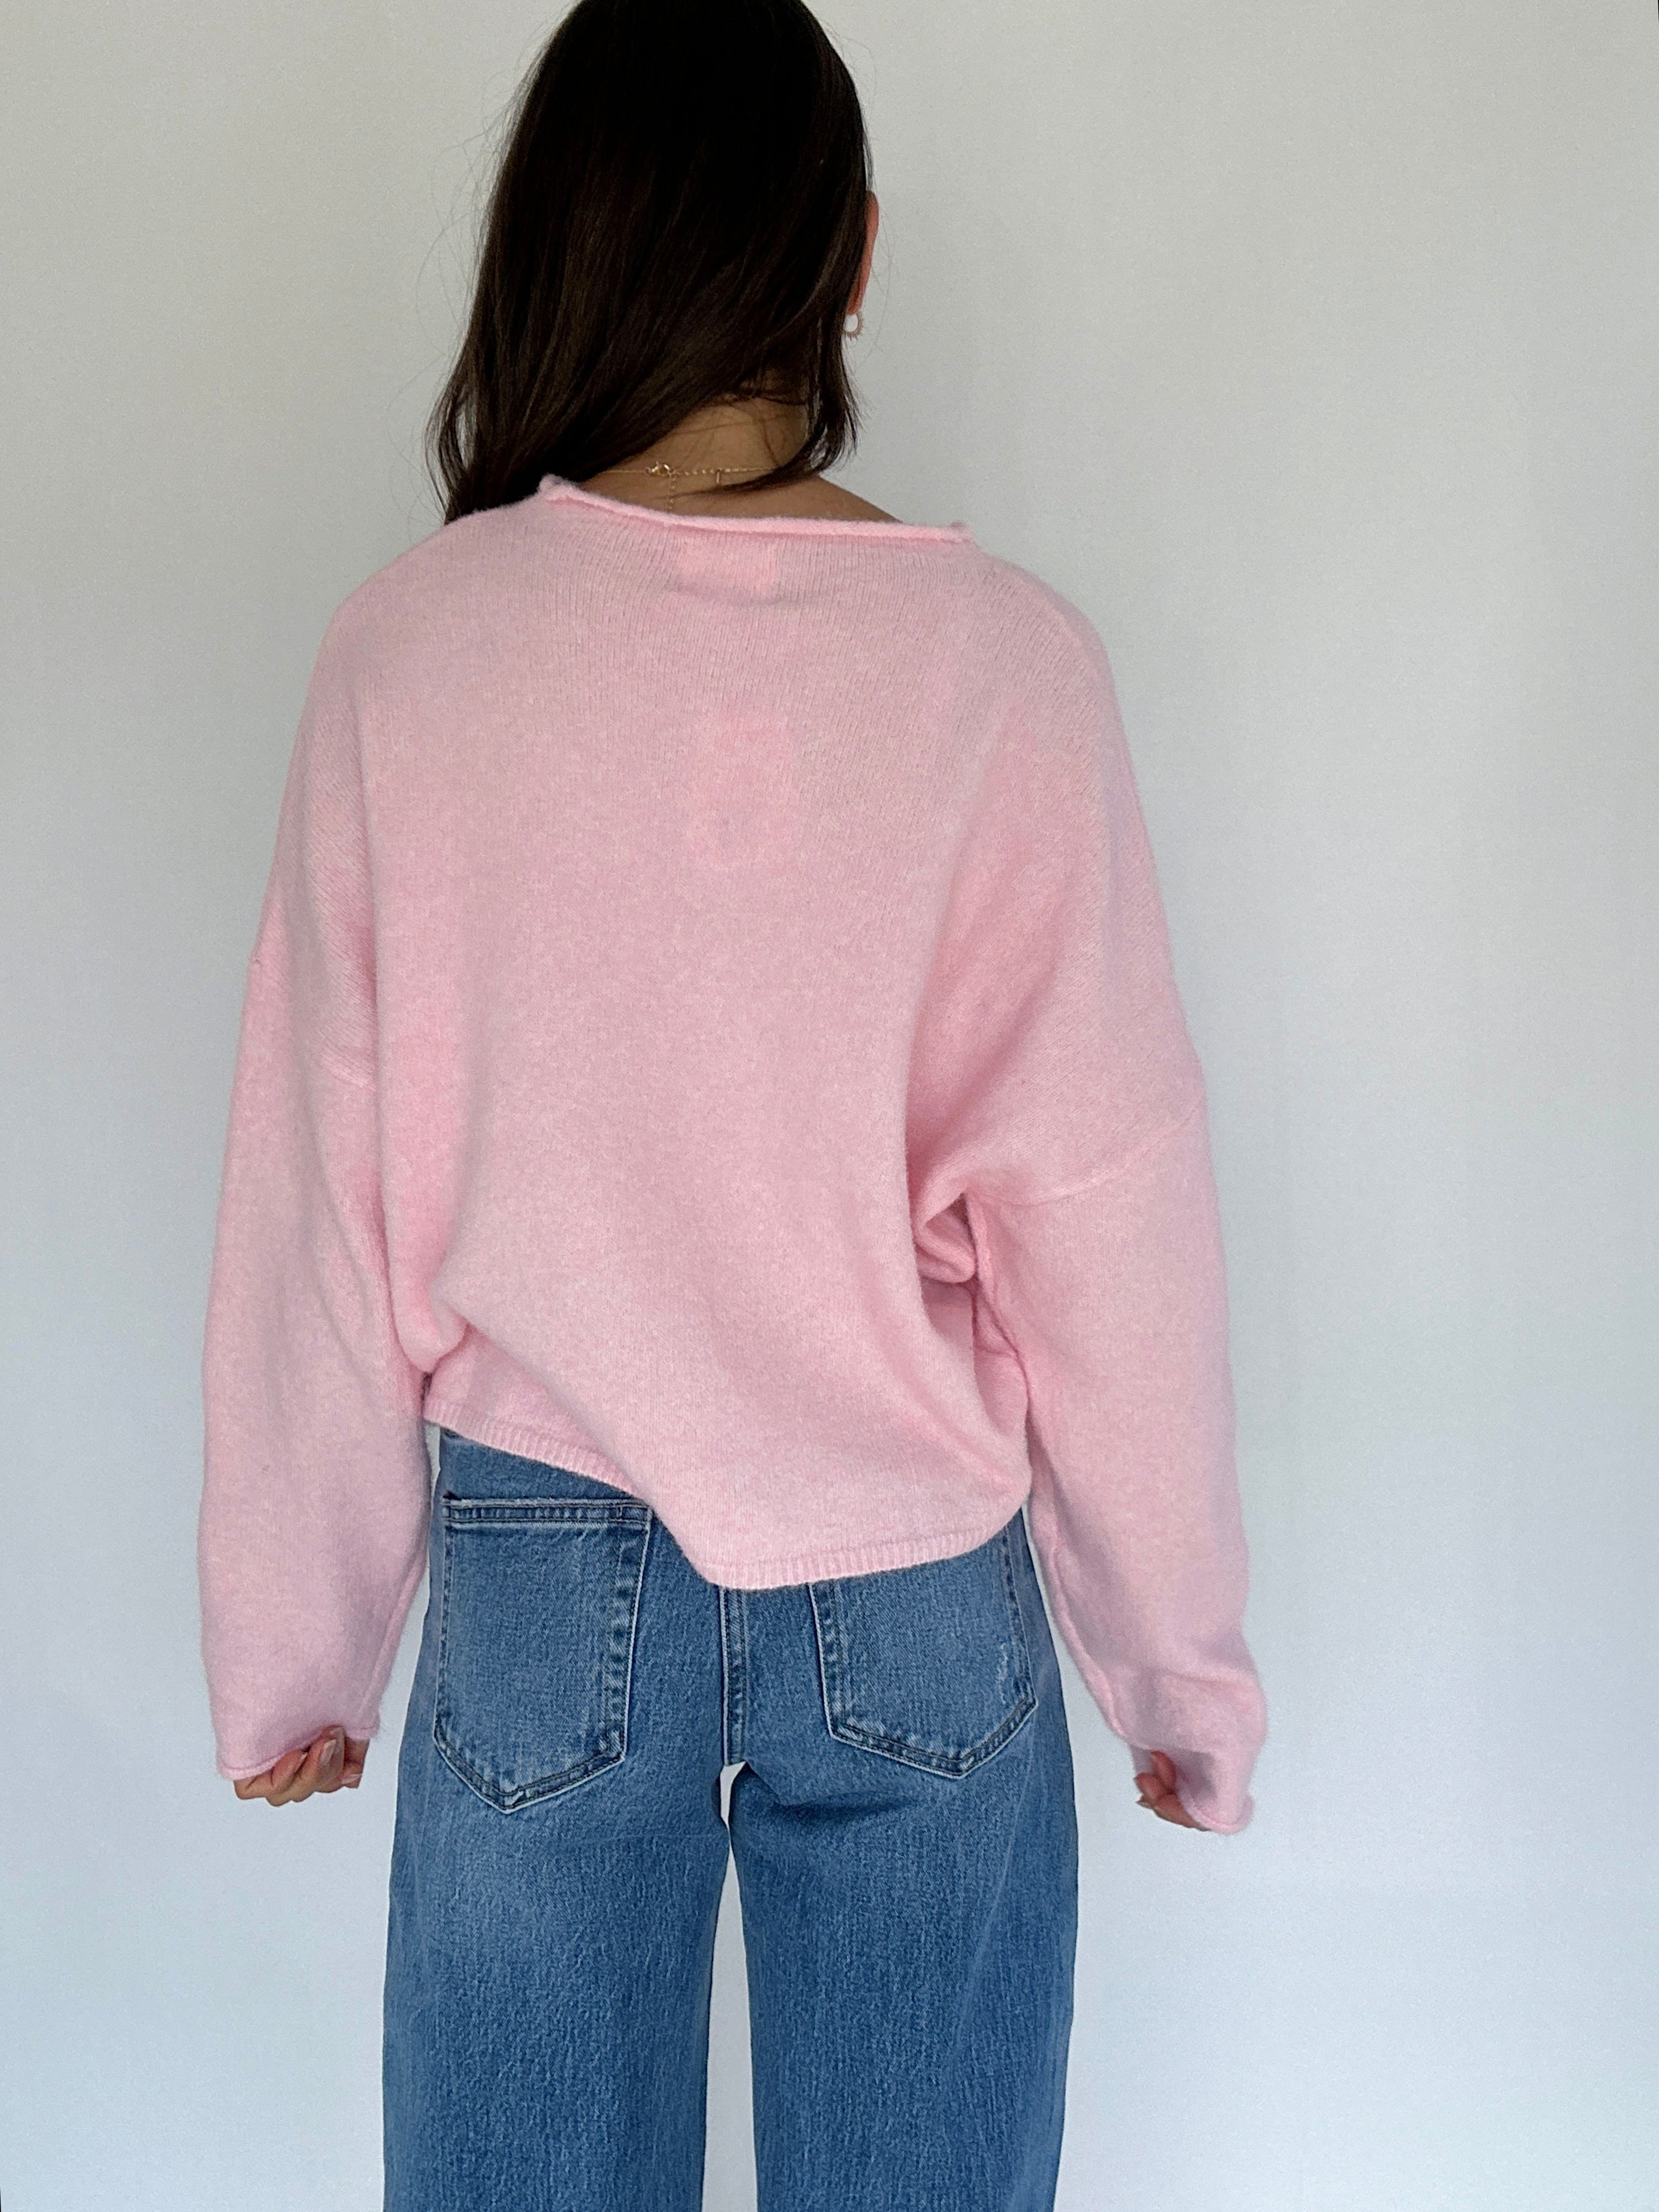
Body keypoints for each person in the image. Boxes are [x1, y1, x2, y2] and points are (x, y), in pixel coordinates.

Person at [197, 1, 1268, 2204]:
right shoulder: (1007, 669)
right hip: (916, 1571)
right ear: (848, 254)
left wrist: (296, 1643)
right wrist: (1174, 1663)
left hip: (536, 1577)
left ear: (558, 244)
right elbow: (1102, 1204)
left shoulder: (409, 653)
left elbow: (320, 1192)